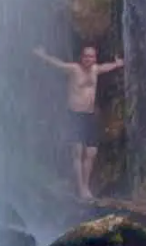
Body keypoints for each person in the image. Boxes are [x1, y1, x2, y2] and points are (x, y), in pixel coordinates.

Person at [34, 44, 124, 200]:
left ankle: (86, 185)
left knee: (91, 152)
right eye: (87, 56)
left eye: (92, 56)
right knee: (77, 151)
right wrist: (42, 55)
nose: (89, 59)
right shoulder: (74, 69)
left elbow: (105, 67)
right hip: (75, 115)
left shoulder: (95, 70)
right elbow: (58, 64)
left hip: (89, 116)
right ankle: (82, 188)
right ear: (82, 58)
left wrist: (117, 64)